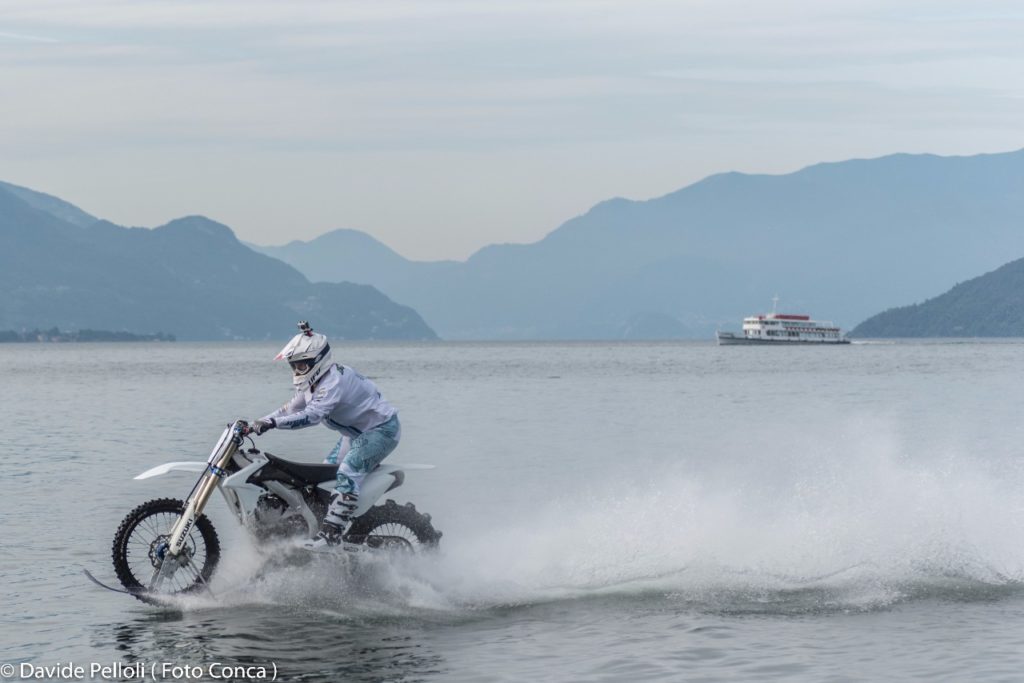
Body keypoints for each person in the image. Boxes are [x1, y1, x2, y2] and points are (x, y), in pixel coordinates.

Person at [247, 321, 401, 550]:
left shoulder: (332, 383)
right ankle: (316, 526)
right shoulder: (313, 383)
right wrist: (254, 424)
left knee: (348, 471)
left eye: (301, 365)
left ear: (318, 361)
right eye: (294, 366)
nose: (297, 371)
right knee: (322, 480)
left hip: (381, 431)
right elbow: (289, 409)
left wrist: (272, 423)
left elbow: (311, 416)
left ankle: (331, 536)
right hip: (354, 435)